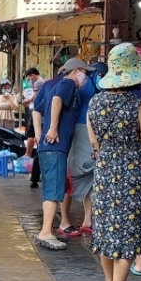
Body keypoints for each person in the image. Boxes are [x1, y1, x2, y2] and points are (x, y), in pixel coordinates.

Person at [87, 44, 141, 281]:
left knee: (105, 228)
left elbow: (93, 140)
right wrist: (137, 166)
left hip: (104, 169)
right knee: (128, 230)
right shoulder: (140, 105)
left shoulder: (95, 102)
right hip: (132, 171)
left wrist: (108, 157)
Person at [32, 58, 91, 250]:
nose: (86, 78)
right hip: (54, 145)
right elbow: (57, 100)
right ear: (76, 71)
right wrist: (53, 128)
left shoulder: (51, 84)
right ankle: (46, 232)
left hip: (50, 145)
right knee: (54, 190)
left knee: (53, 187)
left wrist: (39, 133)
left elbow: (36, 110)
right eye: (85, 73)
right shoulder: (67, 83)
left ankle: (49, 229)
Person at [61, 60, 100, 238]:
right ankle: (65, 221)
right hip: (82, 130)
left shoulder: (79, 84)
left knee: (90, 177)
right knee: (73, 176)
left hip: (83, 129)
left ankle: (87, 221)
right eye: (83, 71)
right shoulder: (71, 85)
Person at [22, 66, 45, 189]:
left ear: (32, 75)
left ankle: (28, 154)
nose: (29, 79)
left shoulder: (38, 83)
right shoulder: (45, 83)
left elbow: (35, 99)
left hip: (37, 114)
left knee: (32, 135)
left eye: (29, 77)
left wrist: (27, 101)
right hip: (43, 116)